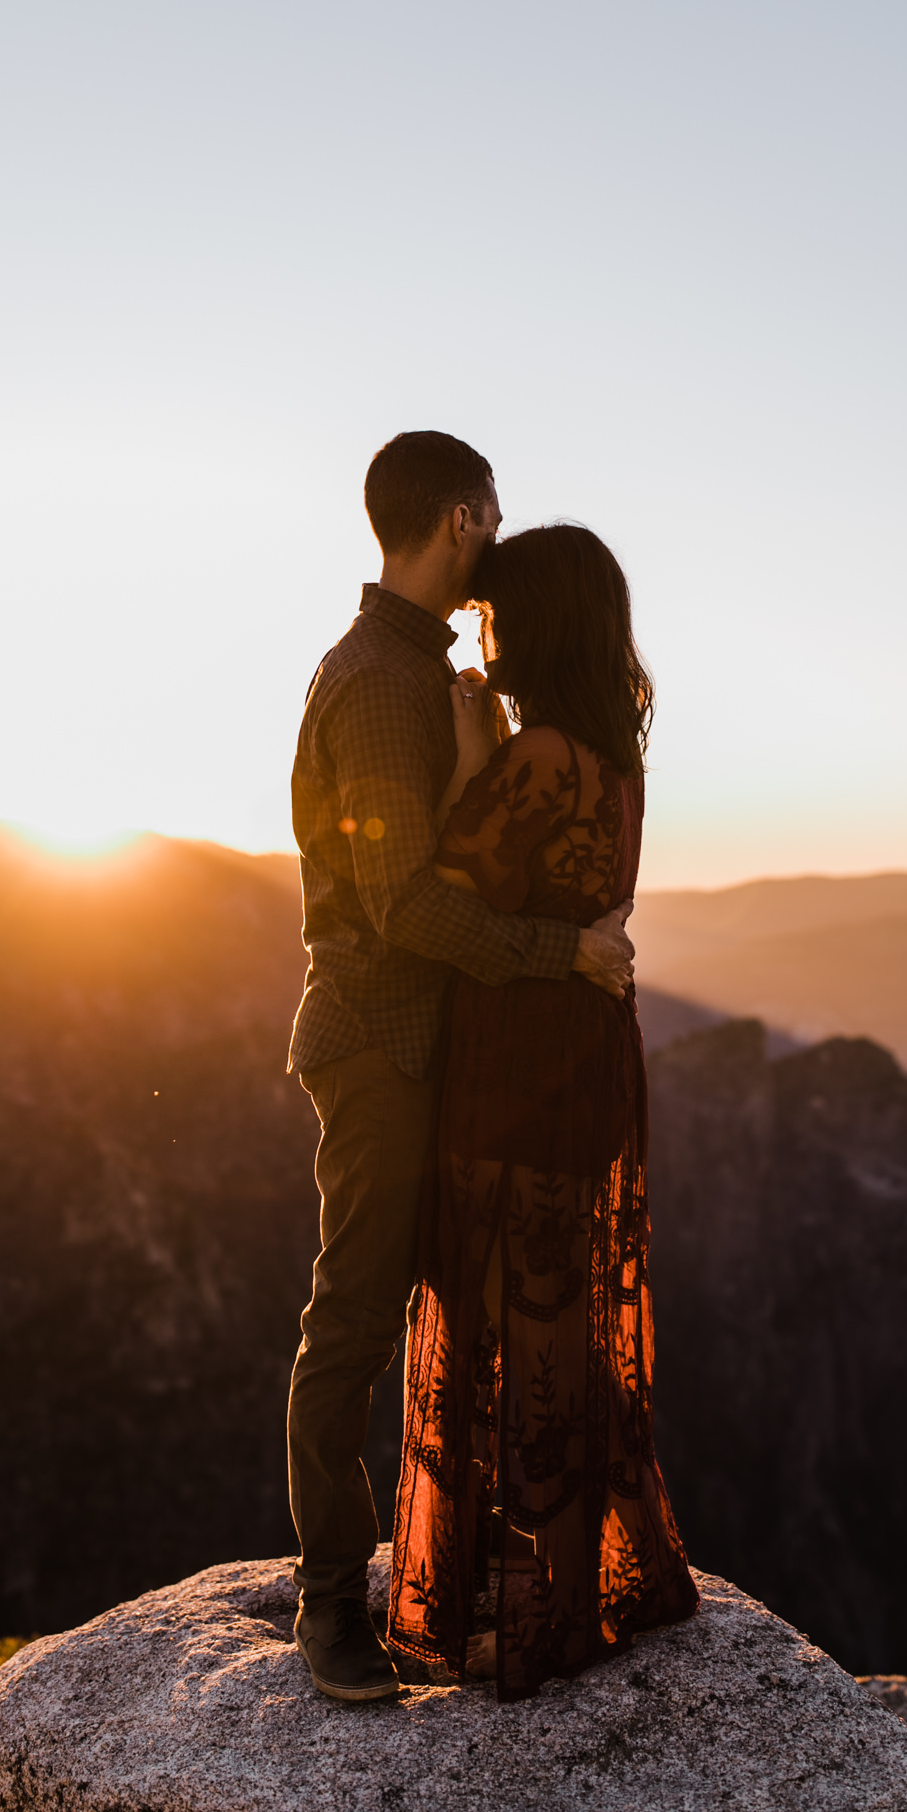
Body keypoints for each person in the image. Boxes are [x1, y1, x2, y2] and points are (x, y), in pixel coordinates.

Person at [287, 433, 636, 1703]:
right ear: (459, 515)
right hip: (381, 1046)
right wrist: (565, 951)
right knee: (356, 1324)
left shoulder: (421, 675)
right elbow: (401, 910)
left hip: (439, 1051)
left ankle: (467, 1574)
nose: (498, 545)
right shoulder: (380, 681)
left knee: (460, 1323)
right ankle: (330, 1609)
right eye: (489, 524)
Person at [388, 522, 698, 1701]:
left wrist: (473, 751)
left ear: (542, 622)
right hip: (584, 1057)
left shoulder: (541, 757)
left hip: (513, 1063)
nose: (484, 629)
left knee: (492, 1324)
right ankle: (579, 1581)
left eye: (501, 614)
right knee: (563, 1327)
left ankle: (513, 1609)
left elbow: (447, 885)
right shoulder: (609, 755)